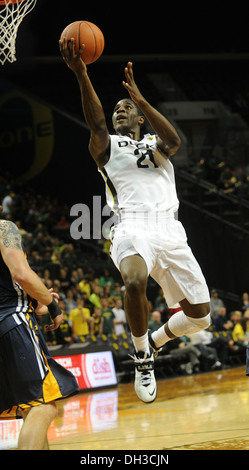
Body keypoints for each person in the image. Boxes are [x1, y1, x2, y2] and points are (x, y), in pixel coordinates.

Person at [59, 40, 210, 403]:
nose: (120, 112)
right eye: (117, 109)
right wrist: (81, 72)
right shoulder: (106, 145)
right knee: (134, 279)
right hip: (132, 225)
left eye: (127, 108)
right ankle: (142, 355)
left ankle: (156, 341)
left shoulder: (158, 144)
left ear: (141, 117)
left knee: (200, 317)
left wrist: (141, 99)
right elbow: (94, 121)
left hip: (170, 228)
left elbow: (175, 141)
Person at [0, 216, 79, 449]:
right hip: (13, 324)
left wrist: (35, 302)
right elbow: (21, 274)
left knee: (30, 408)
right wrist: (52, 304)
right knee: (43, 406)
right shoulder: (4, 227)